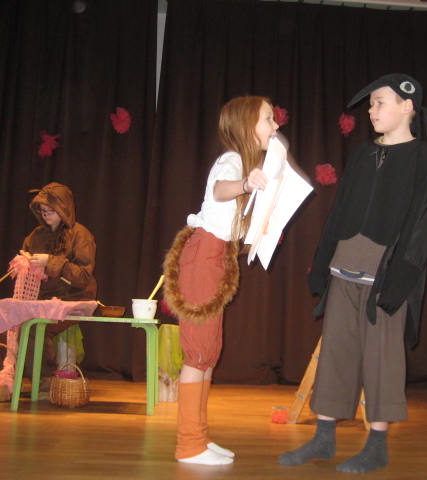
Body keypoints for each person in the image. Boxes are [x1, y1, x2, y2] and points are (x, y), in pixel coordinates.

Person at [278, 73, 427, 473]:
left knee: (382, 359)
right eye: (370, 105)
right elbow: (340, 211)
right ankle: (324, 438)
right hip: (343, 270)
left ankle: (377, 445)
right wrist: (322, 263)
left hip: (384, 278)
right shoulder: (364, 154)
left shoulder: (423, 157)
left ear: (407, 106)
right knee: (336, 353)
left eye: (379, 102)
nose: (371, 110)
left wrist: (400, 281)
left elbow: (422, 223)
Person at [162, 96, 278, 466]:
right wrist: (245, 183)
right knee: (198, 352)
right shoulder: (232, 160)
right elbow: (219, 189)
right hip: (204, 257)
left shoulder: (245, 163)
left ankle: (199, 437)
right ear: (246, 125)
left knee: (208, 352)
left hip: (216, 258)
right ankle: (188, 445)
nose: (275, 126)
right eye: (268, 119)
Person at [0, 182, 97, 389]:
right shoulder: (35, 236)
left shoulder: (81, 235)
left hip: (73, 298)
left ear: (64, 209)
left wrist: (51, 262)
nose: (46, 215)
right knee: (0, 322)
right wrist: (23, 264)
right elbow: (26, 265)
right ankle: (8, 373)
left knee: (34, 326)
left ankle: (43, 377)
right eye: (43, 211)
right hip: (40, 299)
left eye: (50, 211)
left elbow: (83, 276)